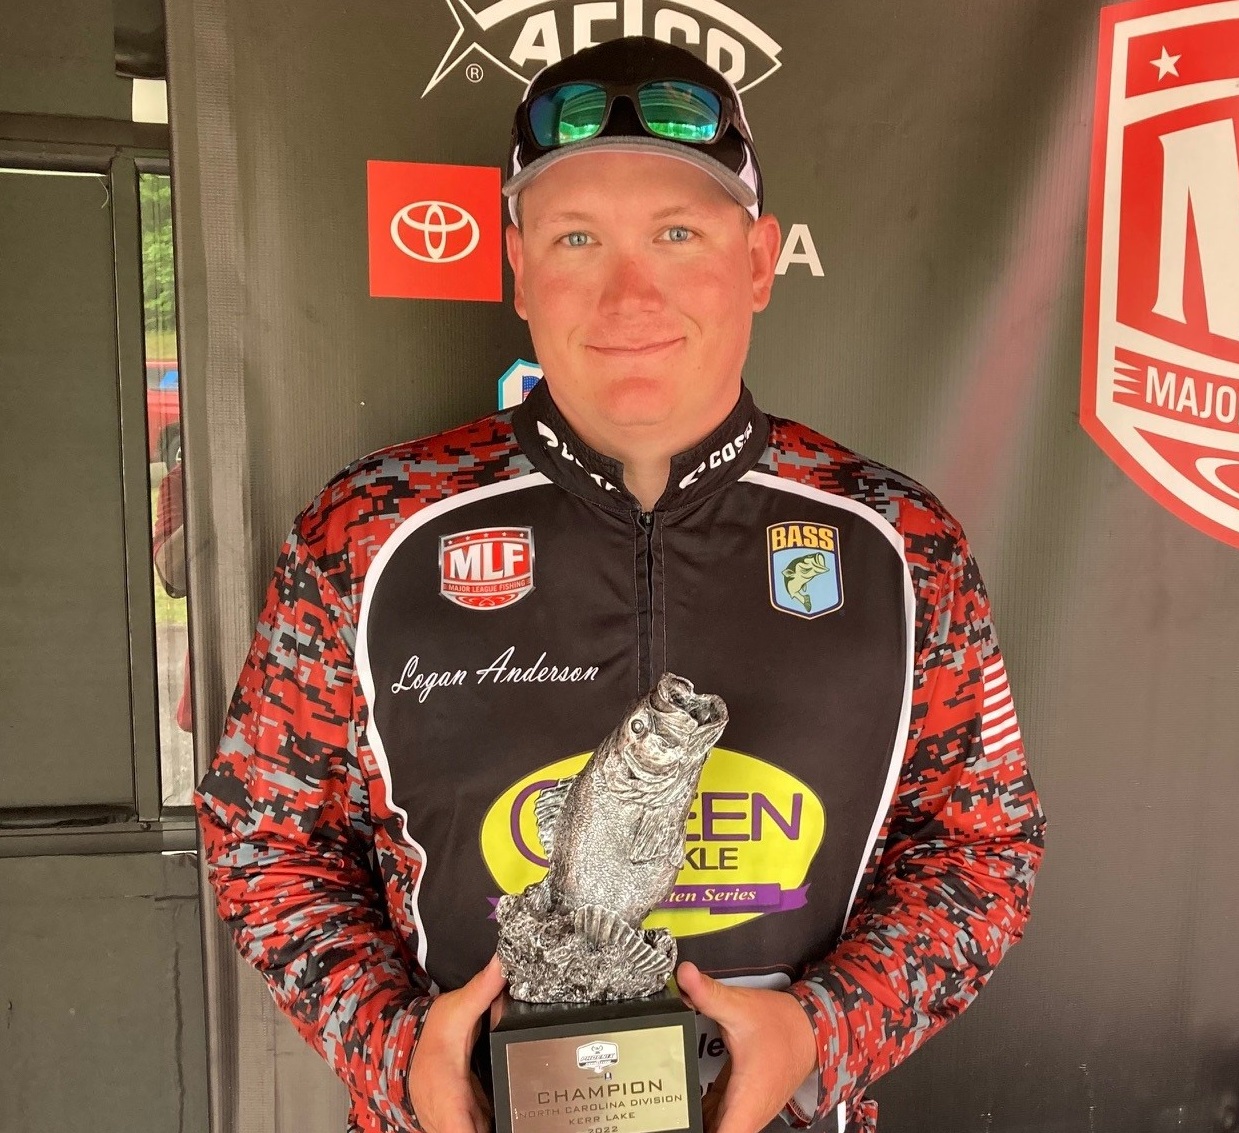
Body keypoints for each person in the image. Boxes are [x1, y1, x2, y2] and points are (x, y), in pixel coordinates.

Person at [195, 36, 1044, 1133]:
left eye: (677, 234)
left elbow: (981, 846)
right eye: (577, 237)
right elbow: (266, 837)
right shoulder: (367, 530)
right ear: (518, 265)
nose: (629, 292)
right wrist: (398, 1052)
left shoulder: (901, 543)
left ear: (759, 261)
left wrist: (823, 1034)